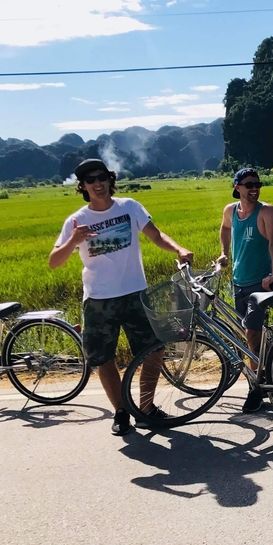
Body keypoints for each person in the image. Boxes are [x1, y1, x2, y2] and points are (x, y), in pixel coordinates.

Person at [49, 158, 193, 436]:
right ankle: (121, 412)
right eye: (90, 180)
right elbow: (54, 261)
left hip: (135, 294)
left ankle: (147, 408)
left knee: (154, 349)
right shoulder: (76, 221)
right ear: (83, 186)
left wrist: (178, 249)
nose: (97, 183)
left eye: (101, 177)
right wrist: (73, 240)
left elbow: (155, 234)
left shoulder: (130, 207)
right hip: (99, 300)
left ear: (109, 179)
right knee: (104, 359)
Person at [216, 167, 273, 412]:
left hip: (259, 283)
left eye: (257, 184)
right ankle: (269, 371)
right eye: (248, 184)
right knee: (252, 337)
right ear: (237, 188)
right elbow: (224, 229)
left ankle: (255, 389)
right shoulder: (230, 211)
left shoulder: (267, 211)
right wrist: (223, 252)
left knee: (251, 336)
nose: (254, 188)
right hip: (238, 282)